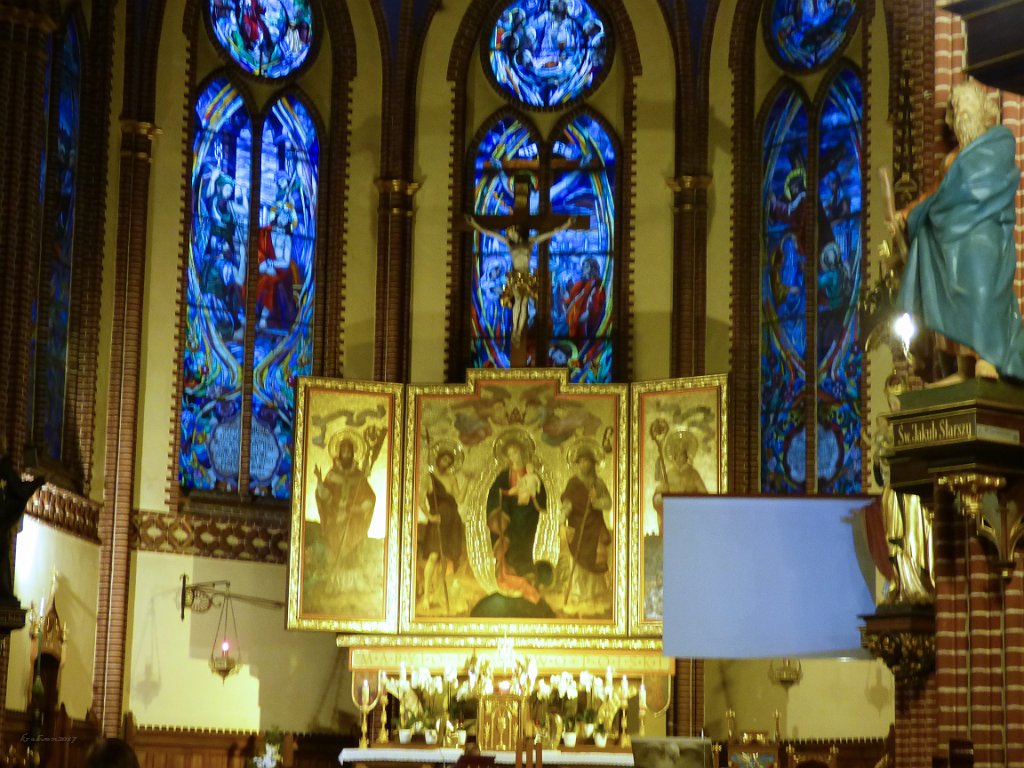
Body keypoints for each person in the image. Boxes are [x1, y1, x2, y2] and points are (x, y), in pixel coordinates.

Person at [887, 80, 1024, 382]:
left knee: (981, 288)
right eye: (956, 107)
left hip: (985, 234)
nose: (960, 111)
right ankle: (963, 366)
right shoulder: (952, 159)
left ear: (986, 110)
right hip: (949, 238)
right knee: (947, 287)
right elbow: (937, 195)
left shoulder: (998, 144)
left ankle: (988, 356)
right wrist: (907, 214)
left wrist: (928, 211)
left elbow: (980, 187)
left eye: (966, 104)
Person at [465, 216, 574, 346]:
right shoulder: (509, 243)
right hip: (516, 277)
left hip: (527, 277)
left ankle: (519, 330)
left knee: (524, 304)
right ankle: (515, 330)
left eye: (511, 232)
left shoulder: (530, 242)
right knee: (518, 304)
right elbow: (490, 232)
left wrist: (566, 224)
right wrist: (475, 225)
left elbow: (549, 234)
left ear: (516, 232)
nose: (510, 235)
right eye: (509, 234)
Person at [486, 436, 547, 604]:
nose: (514, 456)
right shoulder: (505, 475)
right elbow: (495, 493)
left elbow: (541, 494)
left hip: (528, 515)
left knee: (526, 544)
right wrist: (507, 494)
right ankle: (511, 577)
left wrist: (534, 496)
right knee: (511, 544)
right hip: (510, 515)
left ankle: (527, 576)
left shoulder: (532, 473)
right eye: (510, 454)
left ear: (523, 452)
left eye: (516, 452)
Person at [560, 447, 612, 615]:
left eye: (587, 461)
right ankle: (578, 595)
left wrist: (596, 501)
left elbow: (608, 503)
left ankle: (595, 596)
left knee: (594, 560)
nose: (584, 464)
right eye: (581, 461)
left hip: (594, 527)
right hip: (577, 527)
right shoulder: (573, 482)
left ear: (593, 464)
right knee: (577, 559)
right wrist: (563, 516)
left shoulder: (598, 483)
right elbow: (567, 503)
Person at [314, 437, 376, 568]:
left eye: (349, 452)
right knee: (333, 536)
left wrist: (358, 508)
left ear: (353, 454)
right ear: (339, 453)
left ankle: (350, 570)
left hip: (353, 516)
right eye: (344, 452)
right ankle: (334, 569)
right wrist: (320, 482)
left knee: (353, 536)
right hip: (335, 515)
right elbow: (324, 497)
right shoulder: (332, 474)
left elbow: (370, 497)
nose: (346, 455)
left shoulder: (359, 476)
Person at [418, 447, 466, 612]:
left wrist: (469, 482)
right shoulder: (429, 478)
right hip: (438, 520)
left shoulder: (452, 478)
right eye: (444, 459)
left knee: (445, 558)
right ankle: (426, 597)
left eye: (449, 461)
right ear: (438, 459)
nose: (446, 463)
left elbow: (459, 498)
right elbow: (420, 500)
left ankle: (438, 594)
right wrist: (430, 517)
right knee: (433, 556)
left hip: (452, 520)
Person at [0, 447, 45, 601]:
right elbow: (20, 490)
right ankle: (4, 593)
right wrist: (38, 481)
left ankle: (4, 593)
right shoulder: (3, 467)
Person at [563, 257, 606, 339]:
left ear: (593, 269)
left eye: (586, 266)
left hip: (585, 327)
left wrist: (576, 320)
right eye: (583, 266)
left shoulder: (598, 287)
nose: (583, 269)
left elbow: (594, 311)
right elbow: (569, 301)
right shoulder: (579, 284)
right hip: (573, 322)